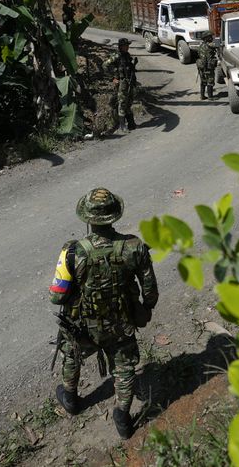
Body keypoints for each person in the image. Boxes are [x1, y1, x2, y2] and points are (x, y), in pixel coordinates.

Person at [49, 187, 158, 439]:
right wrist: (145, 309)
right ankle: (122, 417)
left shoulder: (73, 251)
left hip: (83, 326)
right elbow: (150, 290)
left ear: (87, 218)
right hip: (121, 324)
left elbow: (56, 297)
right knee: (124, 368)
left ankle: (72, 399)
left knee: (72, 356)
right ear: (115, 216)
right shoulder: (134, 246)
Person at [108, 38, 138, 132]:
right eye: (126, 45)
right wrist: (113, 78)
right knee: (122, 103)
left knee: (129, 102)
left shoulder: (127, 55)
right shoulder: (116, 56)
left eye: (128, 45)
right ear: (121, 46)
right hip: (122, 83)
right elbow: (105, 65)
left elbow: (129, 68)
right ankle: (122, 125)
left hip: (130, 81)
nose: (128, 47)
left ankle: (131, 123)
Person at [196, 32, 218, 100]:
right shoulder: (210, 45)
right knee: (210, 81)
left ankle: (202, 96)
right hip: (208, 66)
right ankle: (210, 97)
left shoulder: (201, 46)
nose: (212, 38)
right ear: (206, 38)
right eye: (210, 36)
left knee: (203, 81)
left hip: (201, 66)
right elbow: (218, 45)